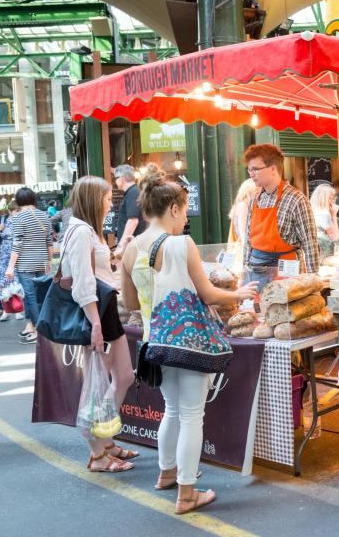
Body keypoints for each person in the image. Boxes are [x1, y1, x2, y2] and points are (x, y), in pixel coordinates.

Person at [121, 172, 257, 514]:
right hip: (191, 344)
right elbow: (208, 292)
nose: (185, 220)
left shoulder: (130, 250)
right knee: (193, 415)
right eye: (183, 212)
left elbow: (132, 304)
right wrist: (239, 292)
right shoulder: (181, 244)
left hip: (155, 344)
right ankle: (186, 492)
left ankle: (167, 474)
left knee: (172, 410)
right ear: (172, 208)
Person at [60, 176, 136, 473]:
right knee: (98, 382)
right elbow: (82, 282)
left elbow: (97, 271)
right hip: (97, 313)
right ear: (94, 200)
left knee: (124, 376)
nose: (110, 203)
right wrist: (95, 323)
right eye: (106, 198)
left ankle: (105, 439)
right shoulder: (81, 232)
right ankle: (97, 450)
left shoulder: (89, 231)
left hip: (105, 311)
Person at [243, 144, 320, 290]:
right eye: (249, 169)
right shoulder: (255, 199)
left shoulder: (296, 199)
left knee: (285, 311)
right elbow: (248, 241)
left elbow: (310, 243)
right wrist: (245, 272)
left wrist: (313, 282)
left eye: (255, 169)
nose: (251, 174)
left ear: (273, 168)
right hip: (257, 274)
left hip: (287, 275)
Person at [4, 187, 54, 343]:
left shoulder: (18, 217)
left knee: (31, 297)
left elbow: (17, 243)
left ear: (18, 201)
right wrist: (49, 262)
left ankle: (41, 333)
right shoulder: (44, 215)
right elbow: (49, 242)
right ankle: (33, 327)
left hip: (26, 263)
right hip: (43, 261)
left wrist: (10, 266)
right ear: (33, 199)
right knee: (41, 296)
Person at [112, 164, 147, 259]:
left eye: (116, 178)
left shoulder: (133, 193)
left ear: (122, 178)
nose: (115, 181)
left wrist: (121, 246)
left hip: (133, 247)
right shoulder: (133, 192)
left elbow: (133, 220)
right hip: (134, 246)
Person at [310, 184, 339, 258]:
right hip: (324, 253)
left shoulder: (312, 210)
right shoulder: (323, 214)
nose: (333, 201)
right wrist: (334, 215)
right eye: (331, 198)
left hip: (314, 252)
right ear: (324, 198)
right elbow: (335, 236)